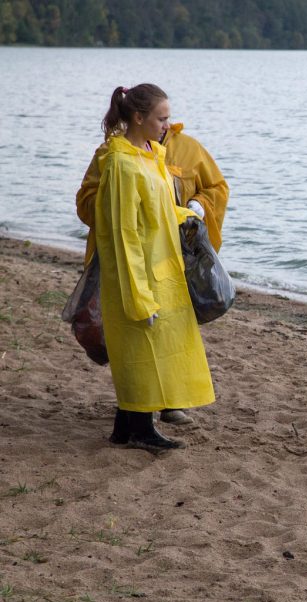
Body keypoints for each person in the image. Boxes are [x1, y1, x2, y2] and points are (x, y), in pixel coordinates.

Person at [76, 94, 229, 426]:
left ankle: (166, 404)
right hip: (134, 260)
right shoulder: (114, 157)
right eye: (161, 117)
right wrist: (116, 207)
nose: (166, 125)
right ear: (139, 117)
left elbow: (217, 187)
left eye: (168, 118)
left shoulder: (186, 148)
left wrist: (196, 208)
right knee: (135, 336)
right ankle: (134, 417)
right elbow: (100, 211)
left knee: (170, 333)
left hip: (174, 259)